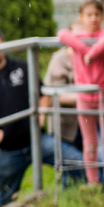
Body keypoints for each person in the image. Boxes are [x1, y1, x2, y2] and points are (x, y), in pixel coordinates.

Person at [0, 27, 84, 207]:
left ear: (4, 44)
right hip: (7, 149)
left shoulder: (22, 66)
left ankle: (76, 196)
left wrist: (41, 116)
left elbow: (43, 94)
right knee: (6, 197)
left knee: (80, 165)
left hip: (38, 139)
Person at [58, 0, 104, 185]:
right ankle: (93, 182)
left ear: (103, 16)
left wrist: (93, 52)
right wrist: (84, 49)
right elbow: (62, 33)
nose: (93, 18)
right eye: (89, 14)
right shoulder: (78, 37)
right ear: (81, 17)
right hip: (84, 95)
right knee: (89, 140)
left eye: (97, 14)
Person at [41, 22, 85, 151]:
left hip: (90, 118)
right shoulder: (59, 60)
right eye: (76, 36)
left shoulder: (91, 57)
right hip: (67, 123)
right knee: (70, 161)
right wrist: (86, 97)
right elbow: (53, 95)